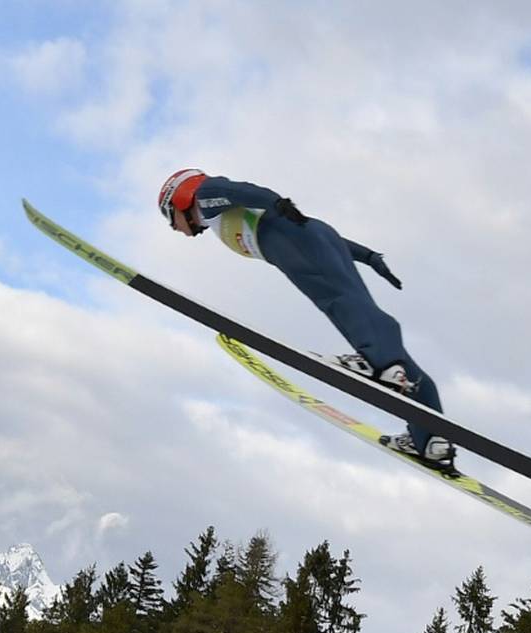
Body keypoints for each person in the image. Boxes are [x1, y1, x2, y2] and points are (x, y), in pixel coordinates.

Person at [157, 168, 454, 468]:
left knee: (338, 302)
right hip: (313, 236)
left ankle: (384, 364)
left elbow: (244, 190)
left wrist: (278, 202)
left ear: (178, 198)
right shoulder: (214, 214)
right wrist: (368, 256)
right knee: (352, 305)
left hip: (291, 241)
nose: (175, 227)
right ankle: (431, 440)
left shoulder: (206, 196)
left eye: (171, 218)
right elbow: (312, 230)